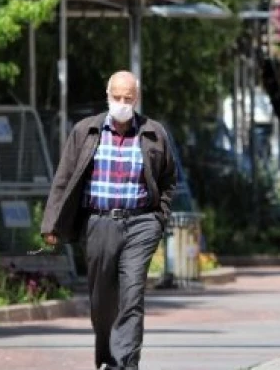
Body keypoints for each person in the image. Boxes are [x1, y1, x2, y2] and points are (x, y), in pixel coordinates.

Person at [40, 71, 177, 370]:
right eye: (117, 97)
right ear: (107, 95)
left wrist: (158, 219)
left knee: (132, 294)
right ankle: (108, 355)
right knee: (102, 299)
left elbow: (169, 179)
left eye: (128, 98)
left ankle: (124, 364)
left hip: (141, 223)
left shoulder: (154, 133)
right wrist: (52, 224)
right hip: (99, 223)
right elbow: (63, 179)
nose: (122, 103)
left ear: (136, 98)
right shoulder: (85, 131)